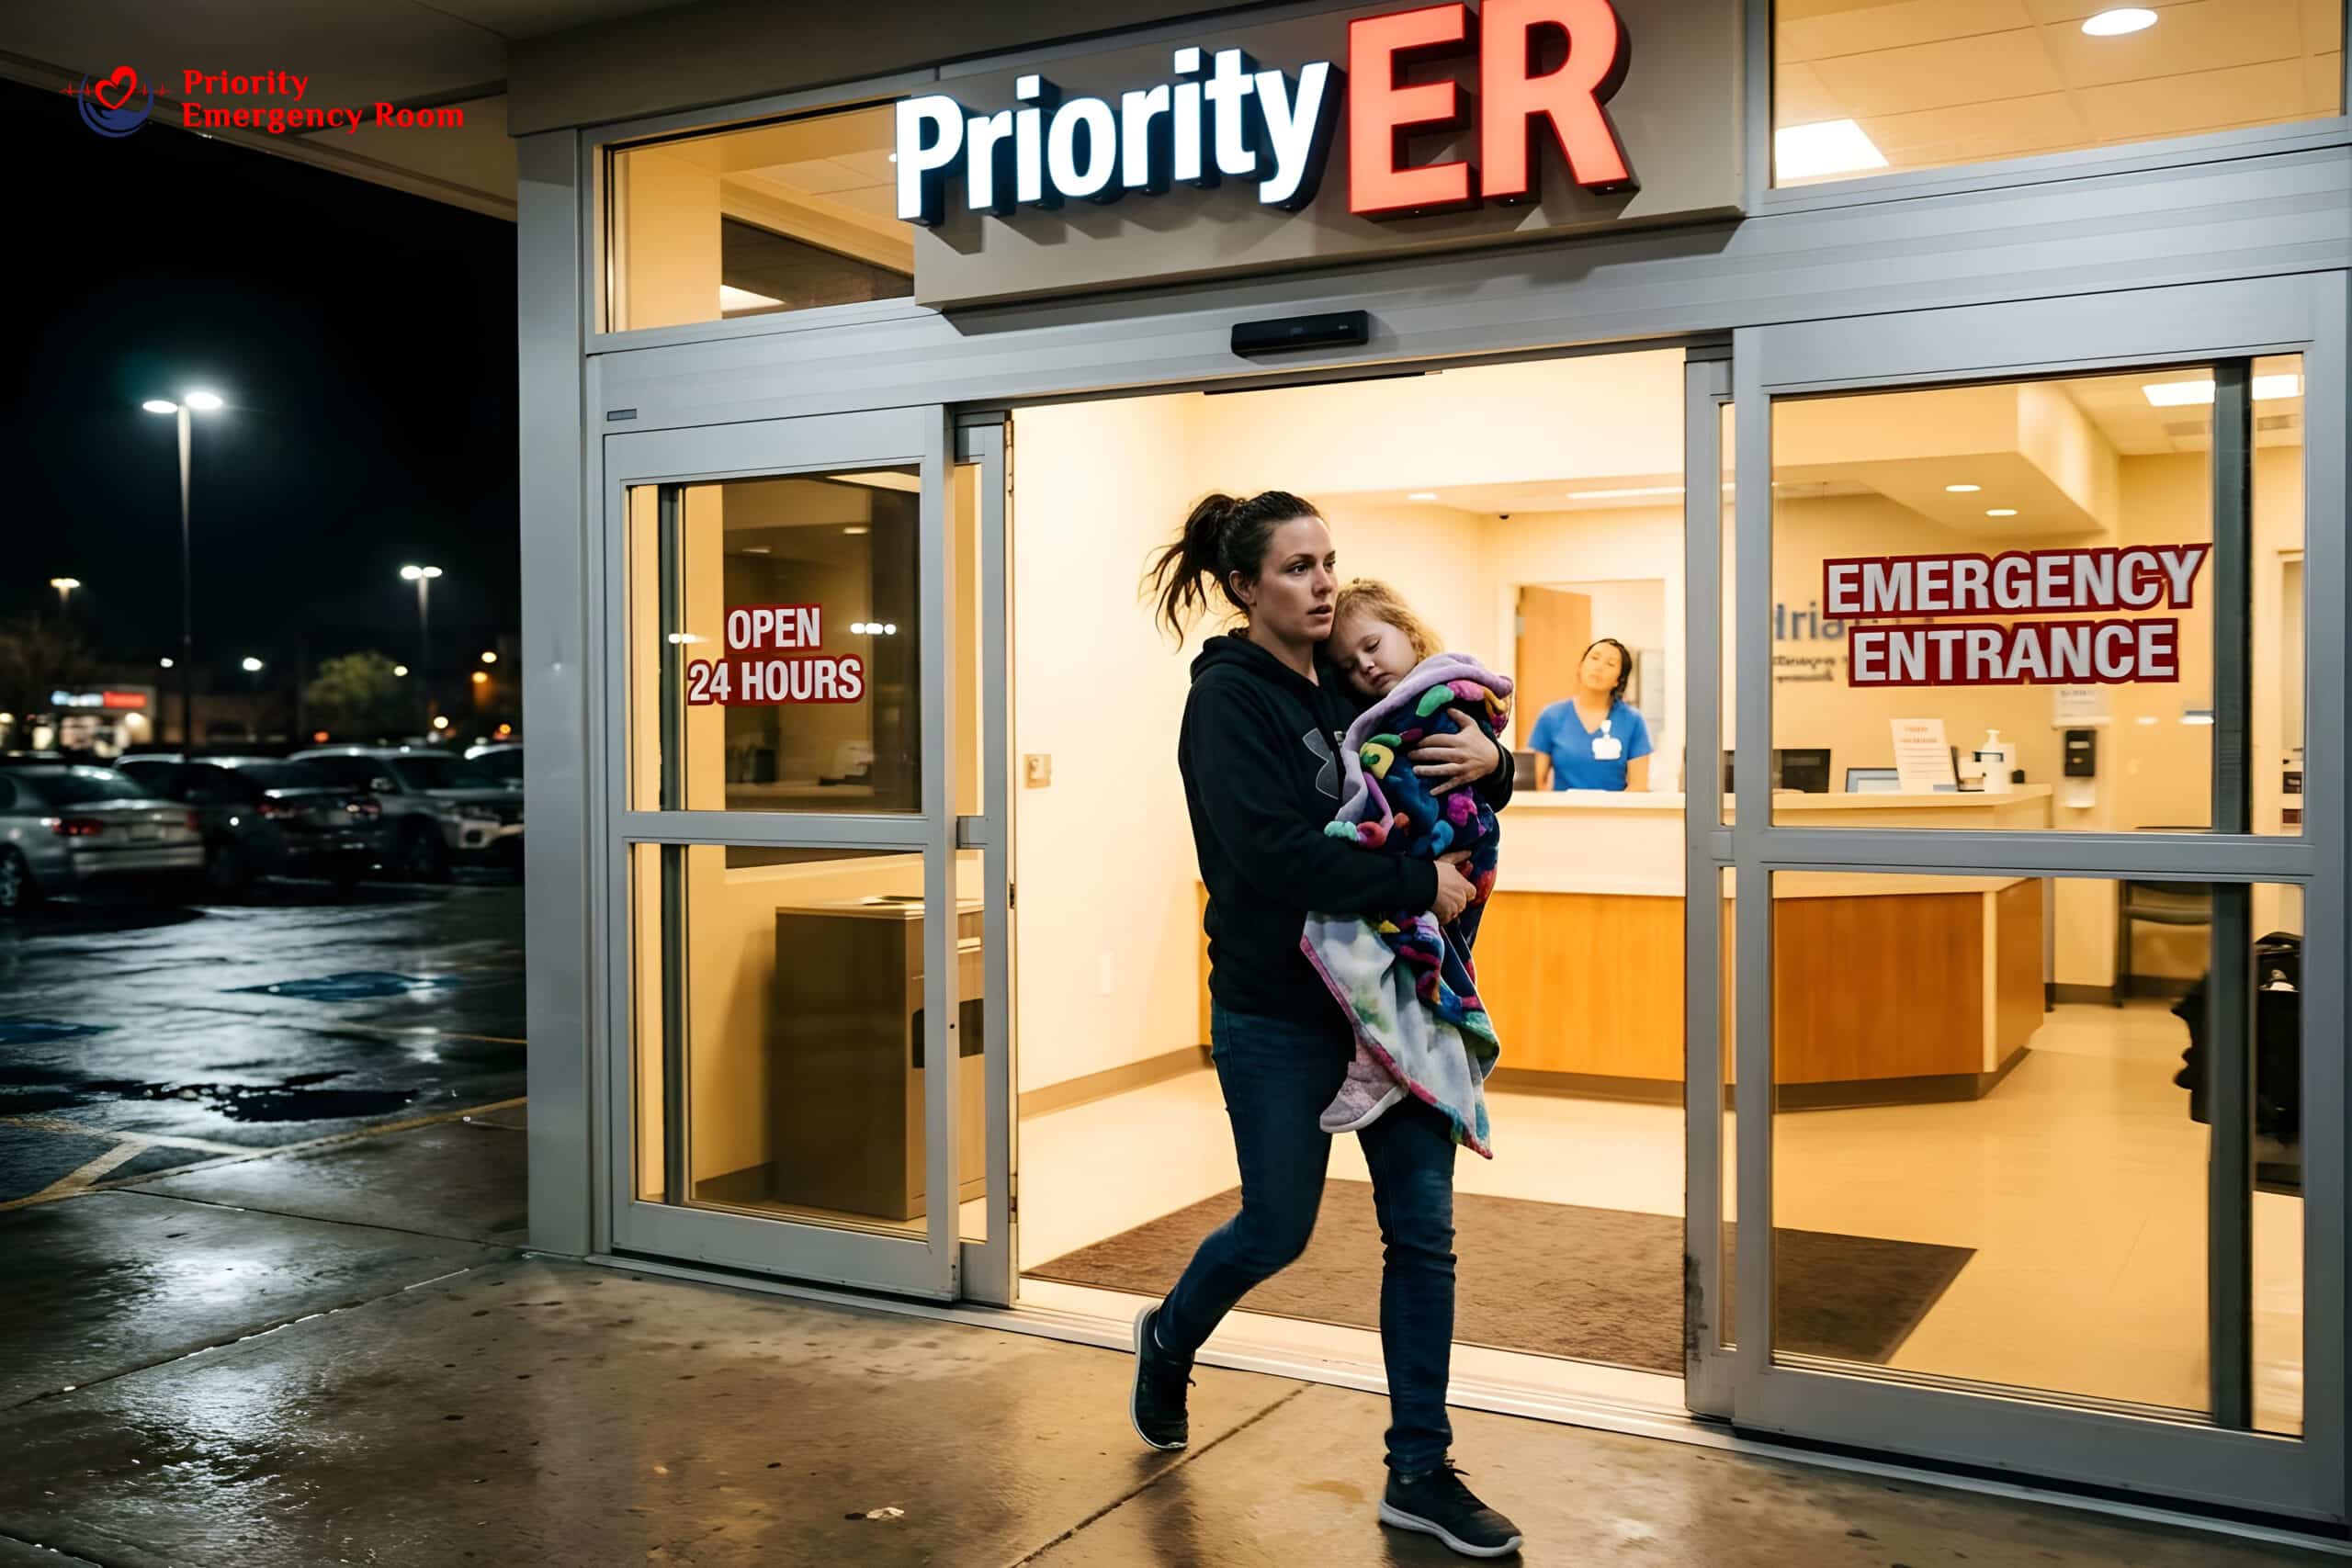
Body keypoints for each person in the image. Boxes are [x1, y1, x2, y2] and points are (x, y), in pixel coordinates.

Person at [1136, 491, 1524, 1560]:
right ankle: (1168, 1337)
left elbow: (1450, 776)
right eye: (1297, 568)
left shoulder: (1357, 681)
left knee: (1423, 1235)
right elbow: (1267, 854)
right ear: (1243, 588)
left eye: (1327, 562)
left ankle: (1419, 1468)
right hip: (1279, 1010)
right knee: (1277, 1228)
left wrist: (1504, 766)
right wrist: (1414, 881)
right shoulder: (1229, 704)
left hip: (1395, 1003)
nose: (1320, 584)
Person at [1526, 636, 1652, 791]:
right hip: (1562, 813)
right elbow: (1537, 783)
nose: (1599, 667)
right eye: (1594, 658)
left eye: (1610, 664)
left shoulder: (1633, 721)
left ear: (1618, 680)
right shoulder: (1551, 716)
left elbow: (1638, 786)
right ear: (1580, 666)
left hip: (1615, 813)